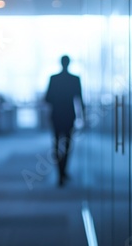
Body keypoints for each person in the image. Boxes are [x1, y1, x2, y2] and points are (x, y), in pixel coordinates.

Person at [45, 55, 85, 187]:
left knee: (57, 144)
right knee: (67, 145)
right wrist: (83, 117)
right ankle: (63, 171)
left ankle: (60, 173)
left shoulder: (54, 79)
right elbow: (80, 99)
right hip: (68, 115)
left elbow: (47, 98)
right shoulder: (74, 79)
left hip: (57, 115)